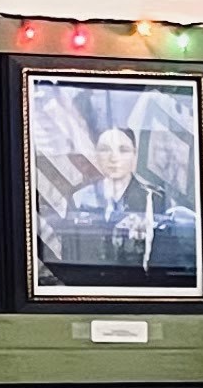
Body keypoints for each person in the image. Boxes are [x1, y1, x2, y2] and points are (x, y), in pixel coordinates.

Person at [60, 115, 192, 280]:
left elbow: (166, 259)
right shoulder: (79, 199)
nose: (113, 158)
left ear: (135, 156)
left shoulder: (154, 199)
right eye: (105, 149)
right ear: (96, 156)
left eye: (123, 150)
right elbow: (70, 256)